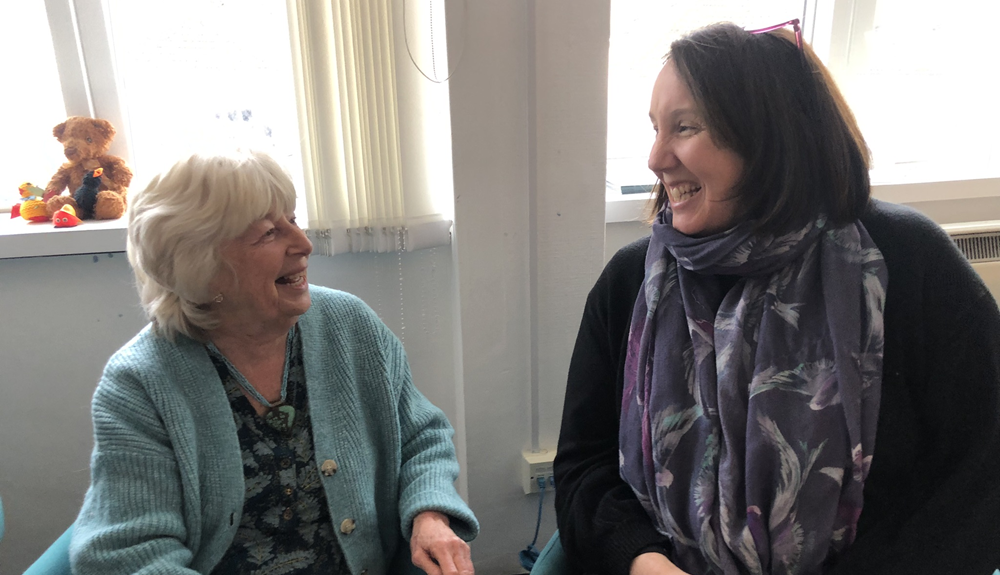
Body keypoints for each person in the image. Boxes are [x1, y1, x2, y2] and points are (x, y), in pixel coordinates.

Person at [554, 21, 1000, 575]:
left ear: (766, 136)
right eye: (654, 128)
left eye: (684, 127)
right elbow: (582, 468)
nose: (655, 158)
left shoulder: (908, 263)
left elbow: (983, 474)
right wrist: (644, 560)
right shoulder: (629, 284)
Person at [70, 150, 478, 575]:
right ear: (201, 264)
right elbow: (128, 553)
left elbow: (421, 436)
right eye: (268, 233)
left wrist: (428, 515)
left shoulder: (348, 324)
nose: (303, 245)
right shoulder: (140, 383)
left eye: (293, 220)